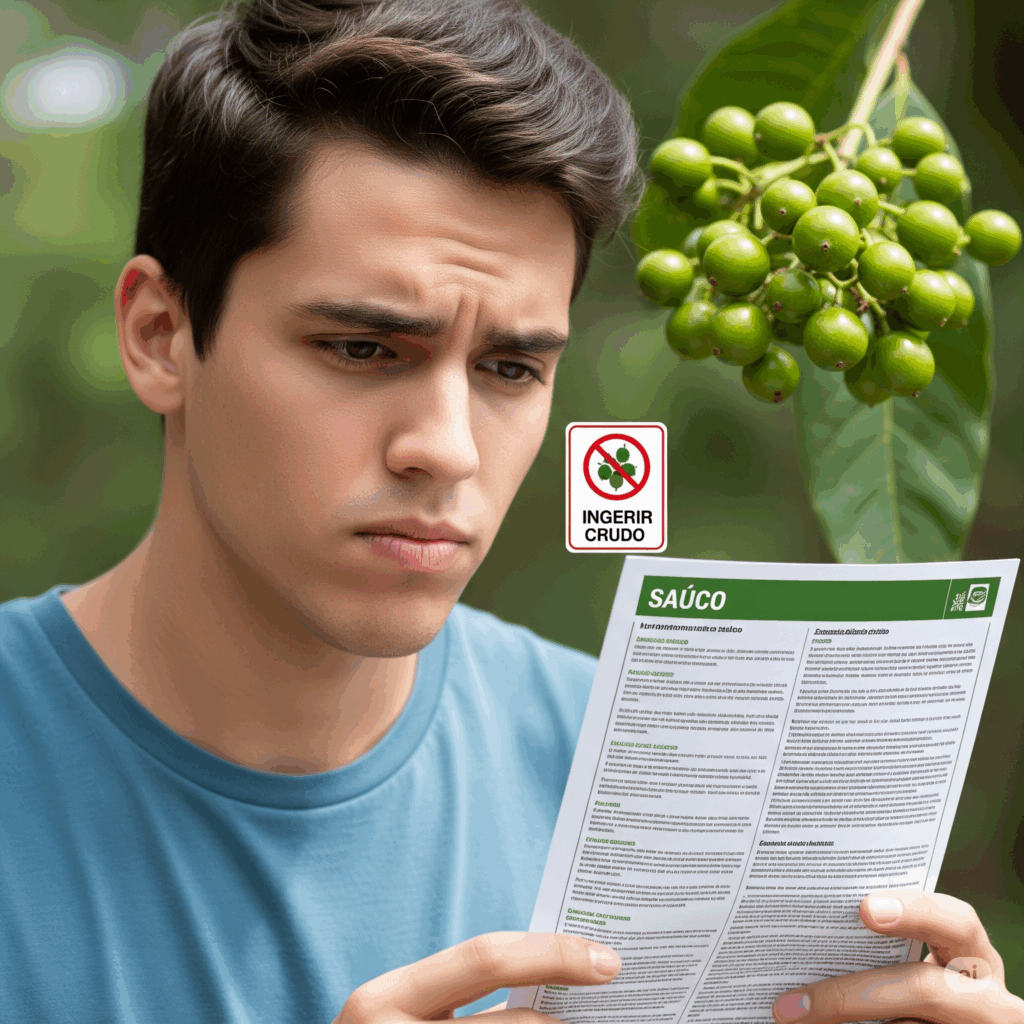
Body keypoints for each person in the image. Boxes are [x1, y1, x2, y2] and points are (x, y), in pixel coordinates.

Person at [0, 1, 1020, 1022]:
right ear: (161, 335)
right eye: (363, 348)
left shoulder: (652, 781)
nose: (444, 446)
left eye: (508, 366)